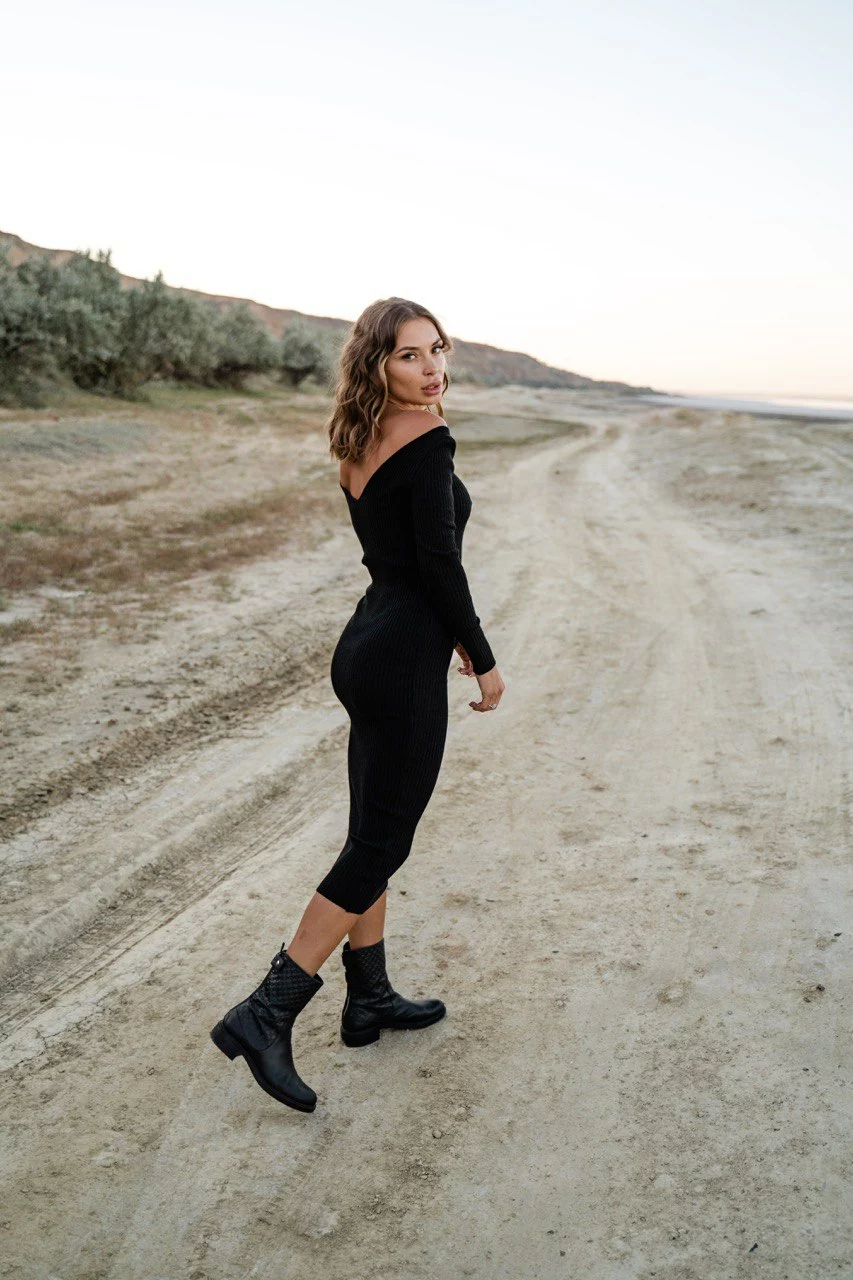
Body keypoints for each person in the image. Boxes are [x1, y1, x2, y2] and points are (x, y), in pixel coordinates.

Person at [210, 297, 505, 1112]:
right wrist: (480, 655)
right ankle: (267, 1011)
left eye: (437, 349)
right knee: (380, 843)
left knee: (370, 830)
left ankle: (368, 996)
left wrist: (442, 631)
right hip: (401, 660)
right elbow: (439, 565)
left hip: (366, 646)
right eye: (410, 354)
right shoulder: (428, 438)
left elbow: (402, 558)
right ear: (377, 362)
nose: (432, 367)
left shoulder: (358, 435)